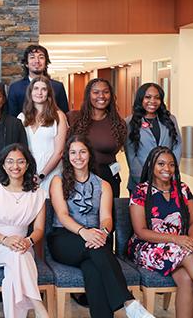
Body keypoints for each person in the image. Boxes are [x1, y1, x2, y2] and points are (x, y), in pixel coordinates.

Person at [48, 136, 152, 318]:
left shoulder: (103, 185)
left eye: (82, 151)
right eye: (73, 152)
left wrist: (103, 231)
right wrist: (84, 232)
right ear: (67, 156)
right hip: (64, 238)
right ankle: (128, 302)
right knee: (99, 250)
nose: (78, 157)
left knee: (93, 271)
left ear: (89, 154)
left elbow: (106, 218)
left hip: (94, 239)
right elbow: (63, 216)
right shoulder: (58, 181)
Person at [128, 146, 193, 318]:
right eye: (161, 164)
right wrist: (178, 240)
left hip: (180, 246)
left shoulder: (182, 189)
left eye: (171, 165)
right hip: (148, 246)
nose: (166, 169)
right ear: (152, 166)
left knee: (187, 279)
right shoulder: (140, 191)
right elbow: (140, 231)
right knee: (189, 256)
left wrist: (190, 241)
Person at [0, 143, 48, 318]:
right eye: (10, 161)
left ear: (27, 164)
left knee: (15, 265)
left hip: (24, 244)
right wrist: (6, 240)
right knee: (17, 255)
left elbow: (39, 229)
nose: (15, 166)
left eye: (20, 162)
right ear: (3, 165)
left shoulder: (37, 194)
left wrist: (28, 241)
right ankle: (38, 307)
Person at [68, 78, 127, 198]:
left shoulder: (118, 123)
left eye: (106, 92)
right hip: (79, 176)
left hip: (108, 176)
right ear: (88, 95)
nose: (101, 96)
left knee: (108, 215)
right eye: (96, 92)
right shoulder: (74, 118)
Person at [125, 83, 181, 192]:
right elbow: (131, 155)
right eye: (148, 97)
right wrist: (145, 180)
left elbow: (177, 145)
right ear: (140, 99)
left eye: (157, 98)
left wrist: (169, 170)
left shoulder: (170, 119)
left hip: (167, 179)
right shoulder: (130, 122)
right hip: (140, 181)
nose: (153, 101)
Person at [18, 75, 67, 194]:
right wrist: (28, 174)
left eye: (44, 89)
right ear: (30, 92)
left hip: (51, 172)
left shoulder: (58, 116)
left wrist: (41, 175)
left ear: (49, 94)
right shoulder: (21, 117)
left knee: (50, 207)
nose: (39, 92)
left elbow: (59, 152)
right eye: (36, 88)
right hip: (28, 173)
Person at [7, 45, 69, 117]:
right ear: (26, 63)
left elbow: (65, 114)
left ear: (46, 63)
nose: (37, 61)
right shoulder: (15, 88)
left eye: (41, 57)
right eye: (32, 57)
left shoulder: (57, 87)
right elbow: (11, 117)